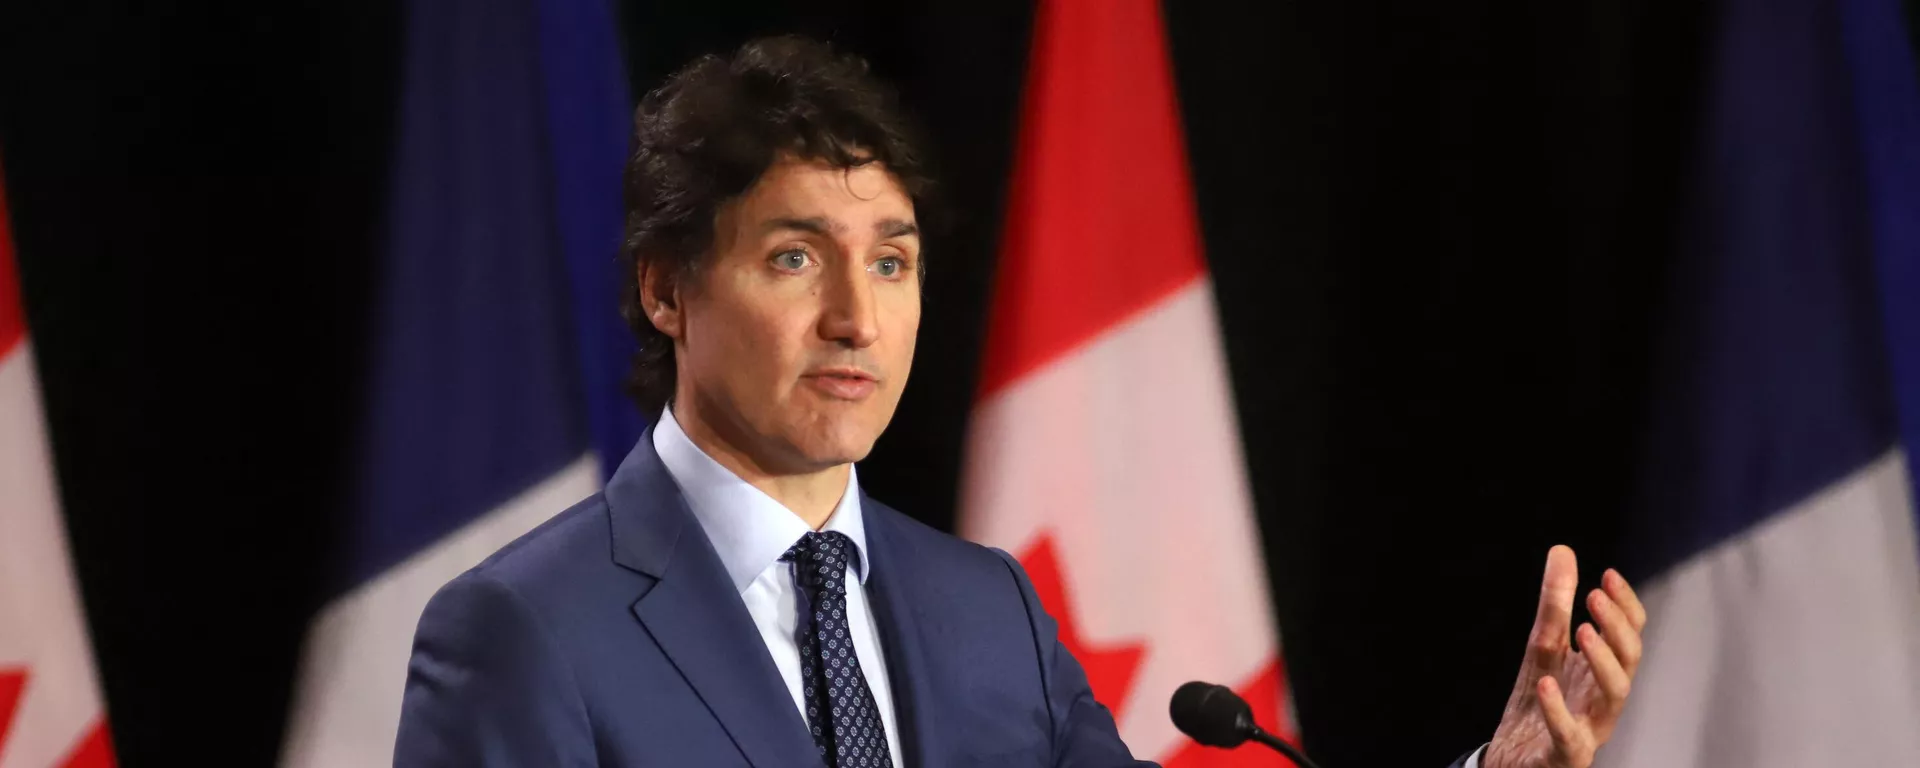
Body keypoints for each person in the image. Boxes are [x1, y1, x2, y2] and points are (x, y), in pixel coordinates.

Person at [393, 36, 1648, 768]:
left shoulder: (983, 610)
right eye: (794, 257)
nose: (856, 315)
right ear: (666, 289)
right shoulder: (520, 632)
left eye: (890, 260)